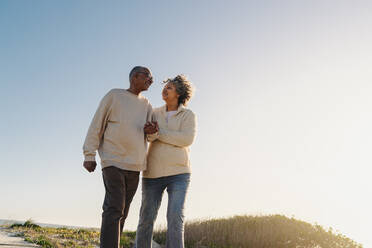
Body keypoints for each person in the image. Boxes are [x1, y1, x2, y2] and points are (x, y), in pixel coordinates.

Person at [82, 66, 156, 248]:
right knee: (114, 207)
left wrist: (151, 132)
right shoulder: (114, 95)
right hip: (113, 160)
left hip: (135, 165)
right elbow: (97, 124)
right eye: (148, 76)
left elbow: (152, 134)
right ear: (134, 77)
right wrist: (89, 154)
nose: (151, 80)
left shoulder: (146, 104)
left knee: (122, 211)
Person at [135, 75, 197, 248]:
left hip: (179, 174)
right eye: (165, 87)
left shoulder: (188, 115)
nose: (165, 89)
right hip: (152, 173)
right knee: (146, 218)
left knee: (175, 217)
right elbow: (149, 137)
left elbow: (186, 139)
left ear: (179, 93)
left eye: (169, 87)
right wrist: (153, 133)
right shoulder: (154, 113)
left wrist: (159, 133)